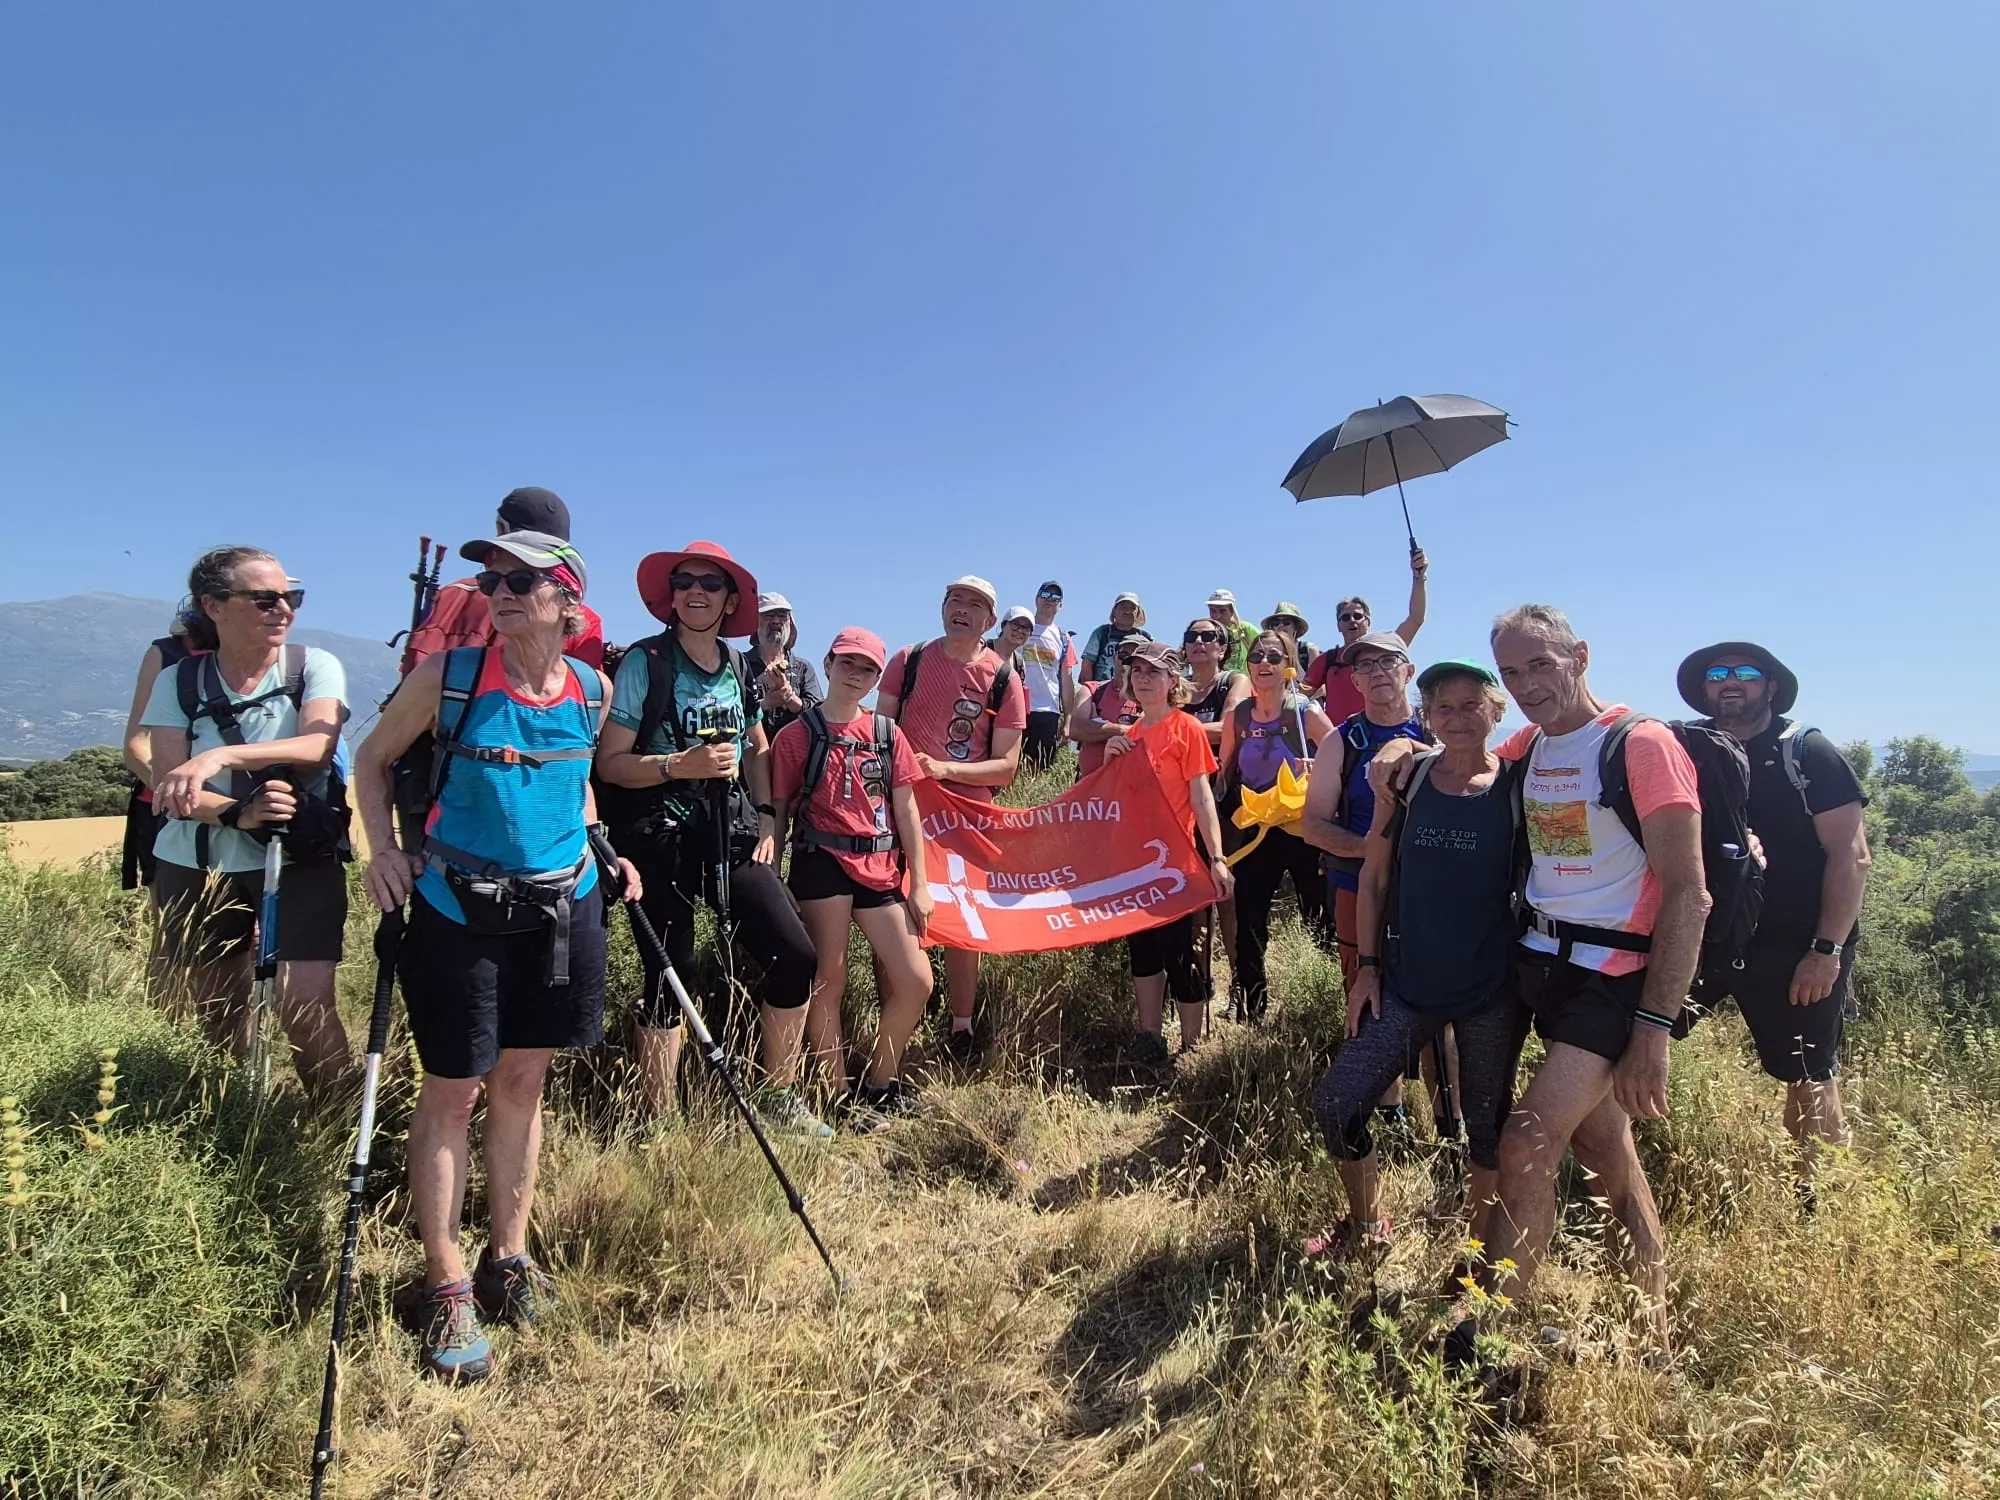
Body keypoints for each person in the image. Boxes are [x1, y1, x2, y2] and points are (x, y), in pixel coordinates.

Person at [1376, 605, 1706, 1362]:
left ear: (1581, 656)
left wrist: (1654, 1029)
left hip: (1613, 977)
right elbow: (1449, 749)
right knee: (1604, 1144)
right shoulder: (1529, 744)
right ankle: (1652, 1330)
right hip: (1536, 965)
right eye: (1514, 672)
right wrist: (1397, 744)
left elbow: (1690, 893)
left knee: (1527, 1143)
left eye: (1542, 665)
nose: (1529, 685)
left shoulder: (1642, 746)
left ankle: (1484, 1334)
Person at [354, 528, 637, 1383]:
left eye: (522, 579)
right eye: (491, 578)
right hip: (455, 908)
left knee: (523, 1084)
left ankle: (506, 1259)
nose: (499, 590)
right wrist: (382, 852)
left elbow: (579, 774)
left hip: (563, 907)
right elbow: (369, 759)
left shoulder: (592, 688)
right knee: (451, 1093)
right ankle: (445, 1280)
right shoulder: (452, 679)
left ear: (568, 604)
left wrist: (597, 842)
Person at [594, 540, 827, 1136]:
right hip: (657, 836)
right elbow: (613, 762)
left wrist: (771, 819)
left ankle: (777, 1097)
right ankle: (658, 1121)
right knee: (671, 969)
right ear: (671, 595)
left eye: (710, 583)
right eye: (685, 581)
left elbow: (757, 748)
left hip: (731, 832)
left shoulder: (737, 666)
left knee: (795, 954)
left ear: (730, 601)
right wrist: (679, 765)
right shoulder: (645, 663)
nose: (695, 591)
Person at [1312, 661, 1527, 1251]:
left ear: (1494, 711)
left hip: (1490, 989)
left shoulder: (1517, 785)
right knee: (1338, 1104)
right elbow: (1375, 877)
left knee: (1485, 1127)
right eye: (1443, 708)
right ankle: (1366, 1224)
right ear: (1426, 715)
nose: (1457, 718)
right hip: (1406, 983)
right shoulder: (1407, 780)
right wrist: (1369, 970)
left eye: (1470, 705)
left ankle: (1477, 1252)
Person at [142, 546, 352, 1097]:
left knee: (304, 1004)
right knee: (216, 1007)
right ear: (213, 605)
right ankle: (230, 1123)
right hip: (198, 861)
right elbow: (170, 786)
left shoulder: (313, 666)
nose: (283, 609)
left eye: (291, 597)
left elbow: (316, 745)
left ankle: (343, 1138)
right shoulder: (180, 681)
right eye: (265, 598)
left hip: (302, 854)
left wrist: (221, 757)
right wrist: (238, 813)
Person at [1677, 641, 1869, 1185]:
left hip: (1796, 946)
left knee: (1807, 1073)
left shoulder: (1808, 752)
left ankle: (1814, 1201)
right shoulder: (1689, 748)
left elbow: (1852, 856)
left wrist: (1826, 951)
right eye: (1718, 673)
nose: (1729, 681)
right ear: (1706, 689)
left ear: (1771, 687)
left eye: (1745, 673)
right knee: (1634, 1036)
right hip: (1709, 939)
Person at [769, 627, 935, 1123]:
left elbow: (907, 812)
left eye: (867, 669)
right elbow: (778, 812)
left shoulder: (888, 734)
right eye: (847, 663)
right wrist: (775, 877)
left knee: (915, 980)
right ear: (827, 662)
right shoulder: (796, 735)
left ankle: (879, 1081)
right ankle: (837, 1096)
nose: (855, 674)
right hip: (821, 861)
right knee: (830, 979)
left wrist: (920, 884)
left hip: (880, 867)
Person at [878, 575, 1029, 1062]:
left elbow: (1006, 767)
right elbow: (880, 733)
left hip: (968, 817)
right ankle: (896, 1020)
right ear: (942, 607)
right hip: (904, 809)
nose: (962, 609)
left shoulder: (1003, 678)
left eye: (975, 605)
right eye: (955, 600)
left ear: (990, 622)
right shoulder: (909, 660)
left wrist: (946, 768)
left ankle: (961, 1029)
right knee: (899, 911)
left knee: (965, 919)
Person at [1105, 642, 1235, 1066]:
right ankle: (1149, 1038)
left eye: (1153, 672)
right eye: (1137, 671)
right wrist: (1111, 763)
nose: (1143, 678)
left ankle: (1192, 1049)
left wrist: (1215, 857)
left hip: (1176, 865)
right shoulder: (1130, 736)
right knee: (1142, 952)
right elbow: (1115, 805)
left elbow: (1202, 798)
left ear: (1172, 682)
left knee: (1180, 953)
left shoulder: (1187, 728)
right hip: (1135, 866)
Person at [1215, 630, 1334, 1022]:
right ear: (1248, 665)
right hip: (1255, 830)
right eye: (1257, 655)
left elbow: (1341, 758)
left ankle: (1331, 1001)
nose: (1264, 662)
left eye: (1273, 656)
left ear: (1288, 666)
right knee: (1248, 919)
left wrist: (1321, 769)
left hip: (1302, 829)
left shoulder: (1305, 712)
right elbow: (1225, 772)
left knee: (1318, 916)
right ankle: (1251, 1010)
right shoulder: (1239, 716)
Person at [1303, 633, 1428, 994]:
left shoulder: (1437, 731)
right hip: (1356, 888)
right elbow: (1313, 826)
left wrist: (1411, 746)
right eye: (1365, 665)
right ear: (1355, 680)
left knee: (1433, 1002)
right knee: (1362, 995)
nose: (1378, 673)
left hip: (1428, 889)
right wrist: (1368, 849)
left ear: (1409, 671)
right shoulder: (1341, 742)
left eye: (1388, 662)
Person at [401, 487, 606, 673]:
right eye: (489, 582)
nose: (501, 593)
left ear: (500, 529)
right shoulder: (580, 615)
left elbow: (412, 666)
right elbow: (587, 700)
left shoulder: (451, 593)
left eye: (522, 580)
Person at [120, 614, 201, 891]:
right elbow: (136, 744)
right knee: (175, 921)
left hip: (241, 808)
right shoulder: (165, 654)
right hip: (162, 811)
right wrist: (174, 796)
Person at [1305, 548, 1429, 719]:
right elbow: (1301, 696)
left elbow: (1416, 618)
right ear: (1338, 626)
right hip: (1341, 742)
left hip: (1390, 736)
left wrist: (1419, 578)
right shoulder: (1327, 661)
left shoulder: (1388, 646)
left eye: (1358, 616)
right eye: (1345, 617)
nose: (1352, 621)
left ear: (1368, 622)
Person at [1018, 581, 1080, 771]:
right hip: (1016, 706)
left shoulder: (1063, 638)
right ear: (1036, 599)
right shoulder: (1019, 627)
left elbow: (1067, 680)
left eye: (1056, 598)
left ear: (1060, 605)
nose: (1050, 600)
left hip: (1047, 710)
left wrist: (1068, 718)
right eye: (1046, 595)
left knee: (1039, 769)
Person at [747, 591, 824, 742]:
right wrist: (765, 704)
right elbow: (730, 712)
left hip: (795, 758)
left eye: (782, 615)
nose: (776, 621)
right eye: (768, 615)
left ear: (790, 623)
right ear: (754, 622)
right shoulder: (740, 665)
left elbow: (820, 717)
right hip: (749, 759)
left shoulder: (803, 668)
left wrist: (791, 699)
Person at [1067, 635, 1146, 781]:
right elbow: (1075, 729)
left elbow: (1156, 734)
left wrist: (1098, 727)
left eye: (1136, 657)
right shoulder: (1093, 690)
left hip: (1134, 787)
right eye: (1123, 655)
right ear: (1115, 657)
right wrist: (1126, 729)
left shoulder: (1153, 696)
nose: (1127, 662)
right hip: (1092, 788)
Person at [1182, 617, 1251, 751]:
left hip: (1220, 769)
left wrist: (1170, 731)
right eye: (1191, 637)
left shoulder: (1235, 681)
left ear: (1222, 650)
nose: (1198, 641)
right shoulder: (1176, 686)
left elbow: (1226, 729)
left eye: (1208, 636)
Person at [1079, 593, 1148, 685]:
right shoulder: (1102, 632)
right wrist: (1090, 691)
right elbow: (1087, 663)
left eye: (1132, 608)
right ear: (1114, 611)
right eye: (1123, 607)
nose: (1128, 611)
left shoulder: (1145, 638)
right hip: (1102, 691)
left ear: (1138, 613)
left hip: (1133, 693)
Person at [1205, 589, 1259, 673]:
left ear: (1232, 610)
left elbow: (1267, 645)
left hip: (1245, 683)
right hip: (1217, 683)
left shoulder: (1245, 629)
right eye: (1213, 611)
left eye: (1222, 610)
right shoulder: (1205, 632)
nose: (1217, 616)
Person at [1258, 602, 1319, 674]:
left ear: (1296, 628)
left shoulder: (1308, 650)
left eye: (1286, 622)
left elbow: (1317, 681)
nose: (1280, 625)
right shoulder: (1266, 653)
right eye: (1276, 623)